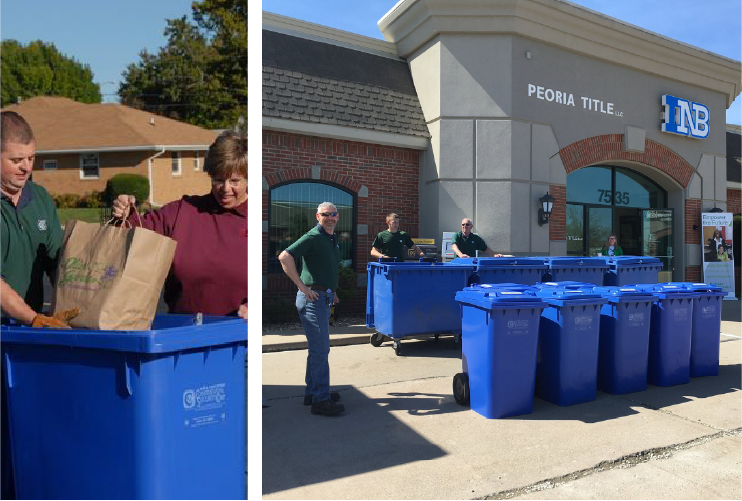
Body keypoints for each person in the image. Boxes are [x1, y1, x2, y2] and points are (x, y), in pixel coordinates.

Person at [112, 131, 248, 319]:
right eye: (218, 180)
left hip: (240, 337)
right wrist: (125, 213)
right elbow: (133, 231)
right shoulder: (183, 212)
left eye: (234, 181)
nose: (225, 188)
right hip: (182, 333)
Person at [0, 111, 78, 328]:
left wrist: (80, 303)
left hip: (29, 330)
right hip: (25, 322)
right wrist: (33, 318)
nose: (26, 167)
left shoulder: (40, 198)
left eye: (31, 158)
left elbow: (57, 264)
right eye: (16, 160)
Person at [279, 202, 345, 416]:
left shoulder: (331, 237)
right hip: (312, 300)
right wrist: (302, 286)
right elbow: (285, 256)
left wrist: (332, 291)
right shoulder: (313, 236)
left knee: (317, 349)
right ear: (318, 216)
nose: (330, 218)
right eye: (326, 215)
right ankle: (320, 400)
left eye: (334, 214)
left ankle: (313, 392)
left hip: (323, 296)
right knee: (321, 349)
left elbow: (326, 267)